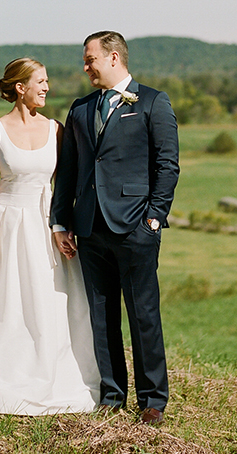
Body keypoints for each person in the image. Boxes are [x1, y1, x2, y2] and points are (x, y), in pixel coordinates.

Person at [0, 58, 101, 414]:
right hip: (4, 224)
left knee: (47, 302)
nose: (46, 87)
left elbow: (63, 185)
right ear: (19, 87)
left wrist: (63, 226)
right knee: (4, 302)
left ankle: (49, 374)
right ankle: (0, 371)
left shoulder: (56, 129)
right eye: (40, 82)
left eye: (46, 81)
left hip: (45, 226)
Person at [51, 31, 180, 426]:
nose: (85, 67)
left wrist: (154, 219)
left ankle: (153, 400)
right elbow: (68, 171)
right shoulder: (80, 108)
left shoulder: (154, 102)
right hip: (90, 228)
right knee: (101, 315)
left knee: (143, 315)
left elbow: (167, 165)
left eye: (90, 59)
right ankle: (111, 394)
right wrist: (62, 220)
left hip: (136, 228)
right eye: (84, 61)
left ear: (113, 58)